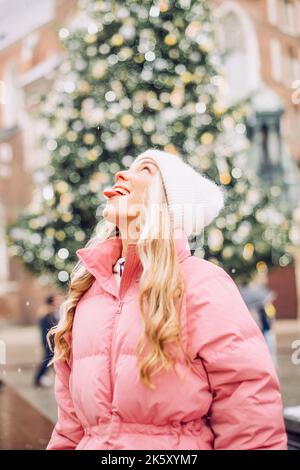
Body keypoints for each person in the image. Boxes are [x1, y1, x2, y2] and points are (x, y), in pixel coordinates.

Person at [47, 148, 287, 450]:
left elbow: (249, 413)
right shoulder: (88, 292)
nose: (122, 174)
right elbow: (70, 429)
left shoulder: (203, 284)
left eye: (145, 170)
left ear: (168, 203)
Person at [33, 295, 59, 388]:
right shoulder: (48, 314)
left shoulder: (44, 312)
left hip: (47, 341)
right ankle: (38, 379)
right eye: (56, 300)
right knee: (48, 360)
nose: (57, 302)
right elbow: (50, 330)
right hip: (49, 342)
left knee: (50, 360)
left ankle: (39, 379)